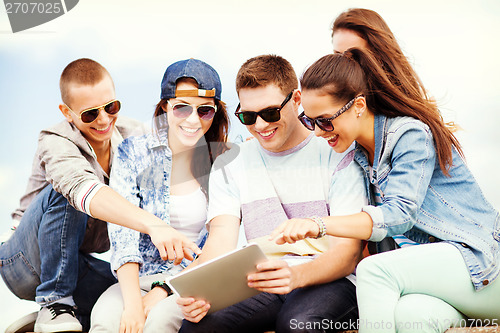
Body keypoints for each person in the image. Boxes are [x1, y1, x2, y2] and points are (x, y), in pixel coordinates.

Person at [270, 48, 500, 333]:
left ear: (358, 106)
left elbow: (399, 215)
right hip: (441, 287)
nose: (318, 131)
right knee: (410, 317)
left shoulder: (410, 135)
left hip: (482, 266)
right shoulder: (358, 157)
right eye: (309, 120)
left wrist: (317, 225)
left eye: (325, 120)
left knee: (374, 270)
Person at [0, 58, 201, 332]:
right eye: (90, 114)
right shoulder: (56, 141)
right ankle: (55, 302)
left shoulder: (133, 136)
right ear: (67, 113)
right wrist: (155, 225)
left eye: (111, 107)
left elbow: (176, 144)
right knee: (67, 193)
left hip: (75, 261)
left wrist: (248, 146)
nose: (104, 119)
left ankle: (77, 315)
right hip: (24, 262)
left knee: (124, 293)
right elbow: (85, 191)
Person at [177, 54, 367, 333]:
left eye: (270, 113)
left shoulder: (336, 151)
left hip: (330, 279)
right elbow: (219, 243)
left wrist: (295, 275)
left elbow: (347, 254)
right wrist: (197, 291)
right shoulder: (231, 163)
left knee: (297, 325)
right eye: (248, 116)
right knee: (200, 327)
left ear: (297, 100)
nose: (261, 126)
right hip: (262, 279)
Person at [90, 58, 229, 333]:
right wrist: (133, 304)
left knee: (160, 322)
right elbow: (123, 232)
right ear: (165, 106)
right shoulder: (133, 153)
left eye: (204, 111)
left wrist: (163, 290)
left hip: (189, 278)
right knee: (105, 321)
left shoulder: (222, 163)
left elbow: (216, 244)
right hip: (135, 278)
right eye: (181, 108)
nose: (192, 119)